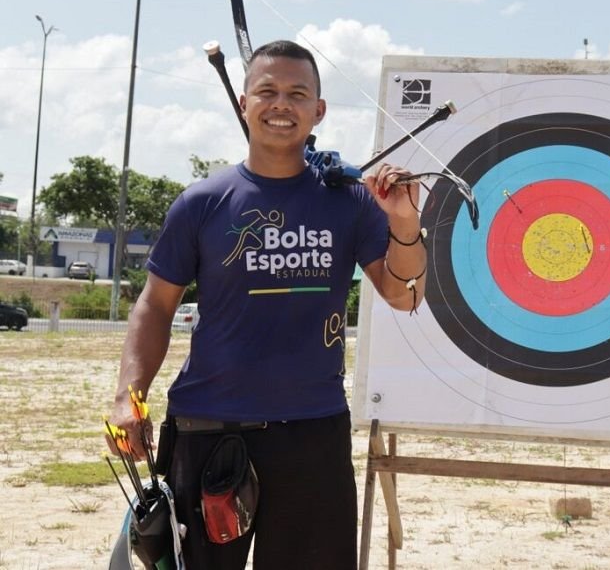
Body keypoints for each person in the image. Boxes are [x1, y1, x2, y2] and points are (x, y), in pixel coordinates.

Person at [107, 39, 427, 569]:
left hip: (312, 431)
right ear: (243, 103)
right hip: (209, 430)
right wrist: (127, 396)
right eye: (267, 91)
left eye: (298, 93)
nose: (282, 104)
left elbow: (405, 294)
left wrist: (404, 223)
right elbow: (155, 306)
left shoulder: (350, 201)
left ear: (318, 110)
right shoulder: (202, 203)